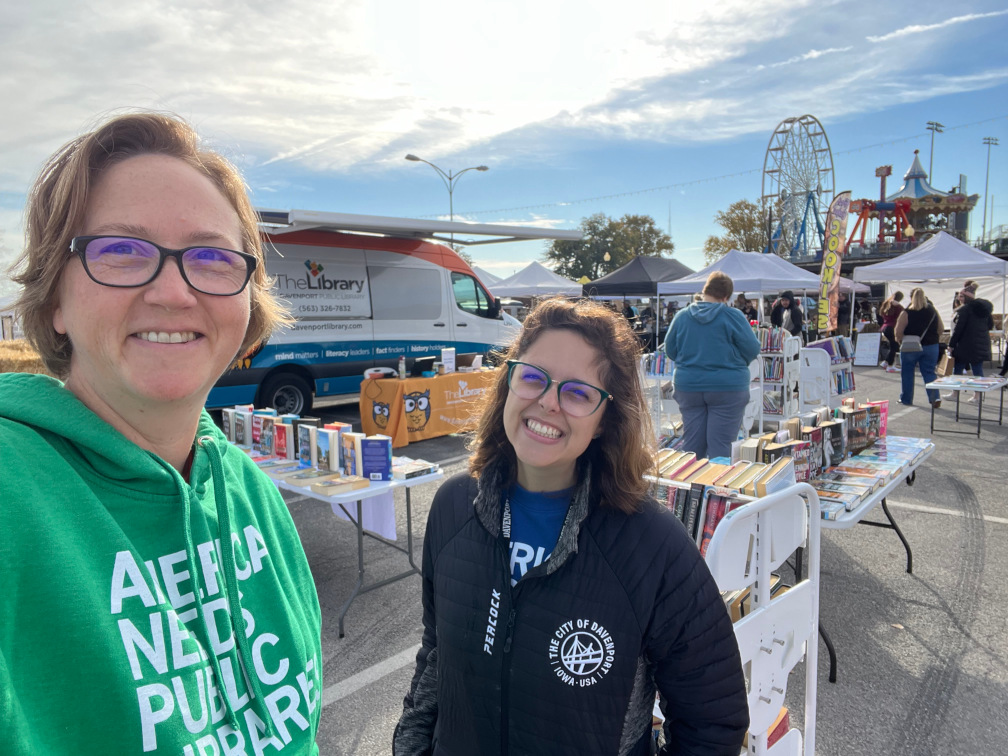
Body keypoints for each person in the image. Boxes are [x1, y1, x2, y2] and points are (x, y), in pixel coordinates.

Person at [1, 113, 322, 753]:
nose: (174, 293)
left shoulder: (249, 489)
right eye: (121, 251)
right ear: (54, 300)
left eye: (211, 257)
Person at [393, 298, 749, 755]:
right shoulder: (453, 506)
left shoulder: (651, 544)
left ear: (605, 421)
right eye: (533, 377)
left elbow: (713, 717)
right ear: (508, 382)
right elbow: (435, 658)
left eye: (578, 393)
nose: (547, 403)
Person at [664, 272, 761, 459]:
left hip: (689, 386)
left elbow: (670, 350)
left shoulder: (682, 316)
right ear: (726, 297)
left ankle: (692, 486)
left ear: (705, 290)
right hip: (728, 387)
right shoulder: (733, 316)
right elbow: (751, 348)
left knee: (692, 446)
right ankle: (717, 488)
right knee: (721, 446)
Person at [894, 287, 944, 408]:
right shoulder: (932, 311)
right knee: (929, 372)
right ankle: (935, 397)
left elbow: (898, 331)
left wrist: (900, 340)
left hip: (910, 346)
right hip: (931, 346)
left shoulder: (906, 312)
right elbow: (941, 329)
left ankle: (906, 399)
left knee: (907, 372)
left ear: (911, 298)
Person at [948, 285, 995, 401]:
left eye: (961, 296)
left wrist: (951, 344)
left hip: (964, 344)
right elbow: (990, 325)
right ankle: (978, 395)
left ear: (967, 298)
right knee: (977, 369)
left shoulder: (964, 310)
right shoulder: (984, 310)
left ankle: (955, 393)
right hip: (980, 342)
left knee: (958, 368)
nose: (959, 298)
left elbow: (958, 329)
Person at [879, 290, 905, 370]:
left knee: (892, 345)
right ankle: (890, 365)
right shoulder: (899, 307)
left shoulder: (886, 304)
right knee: (894, 346)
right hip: (892, 327)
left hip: (885, 327)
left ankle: (886, 362)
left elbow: (881, 313)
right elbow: (903, 315)